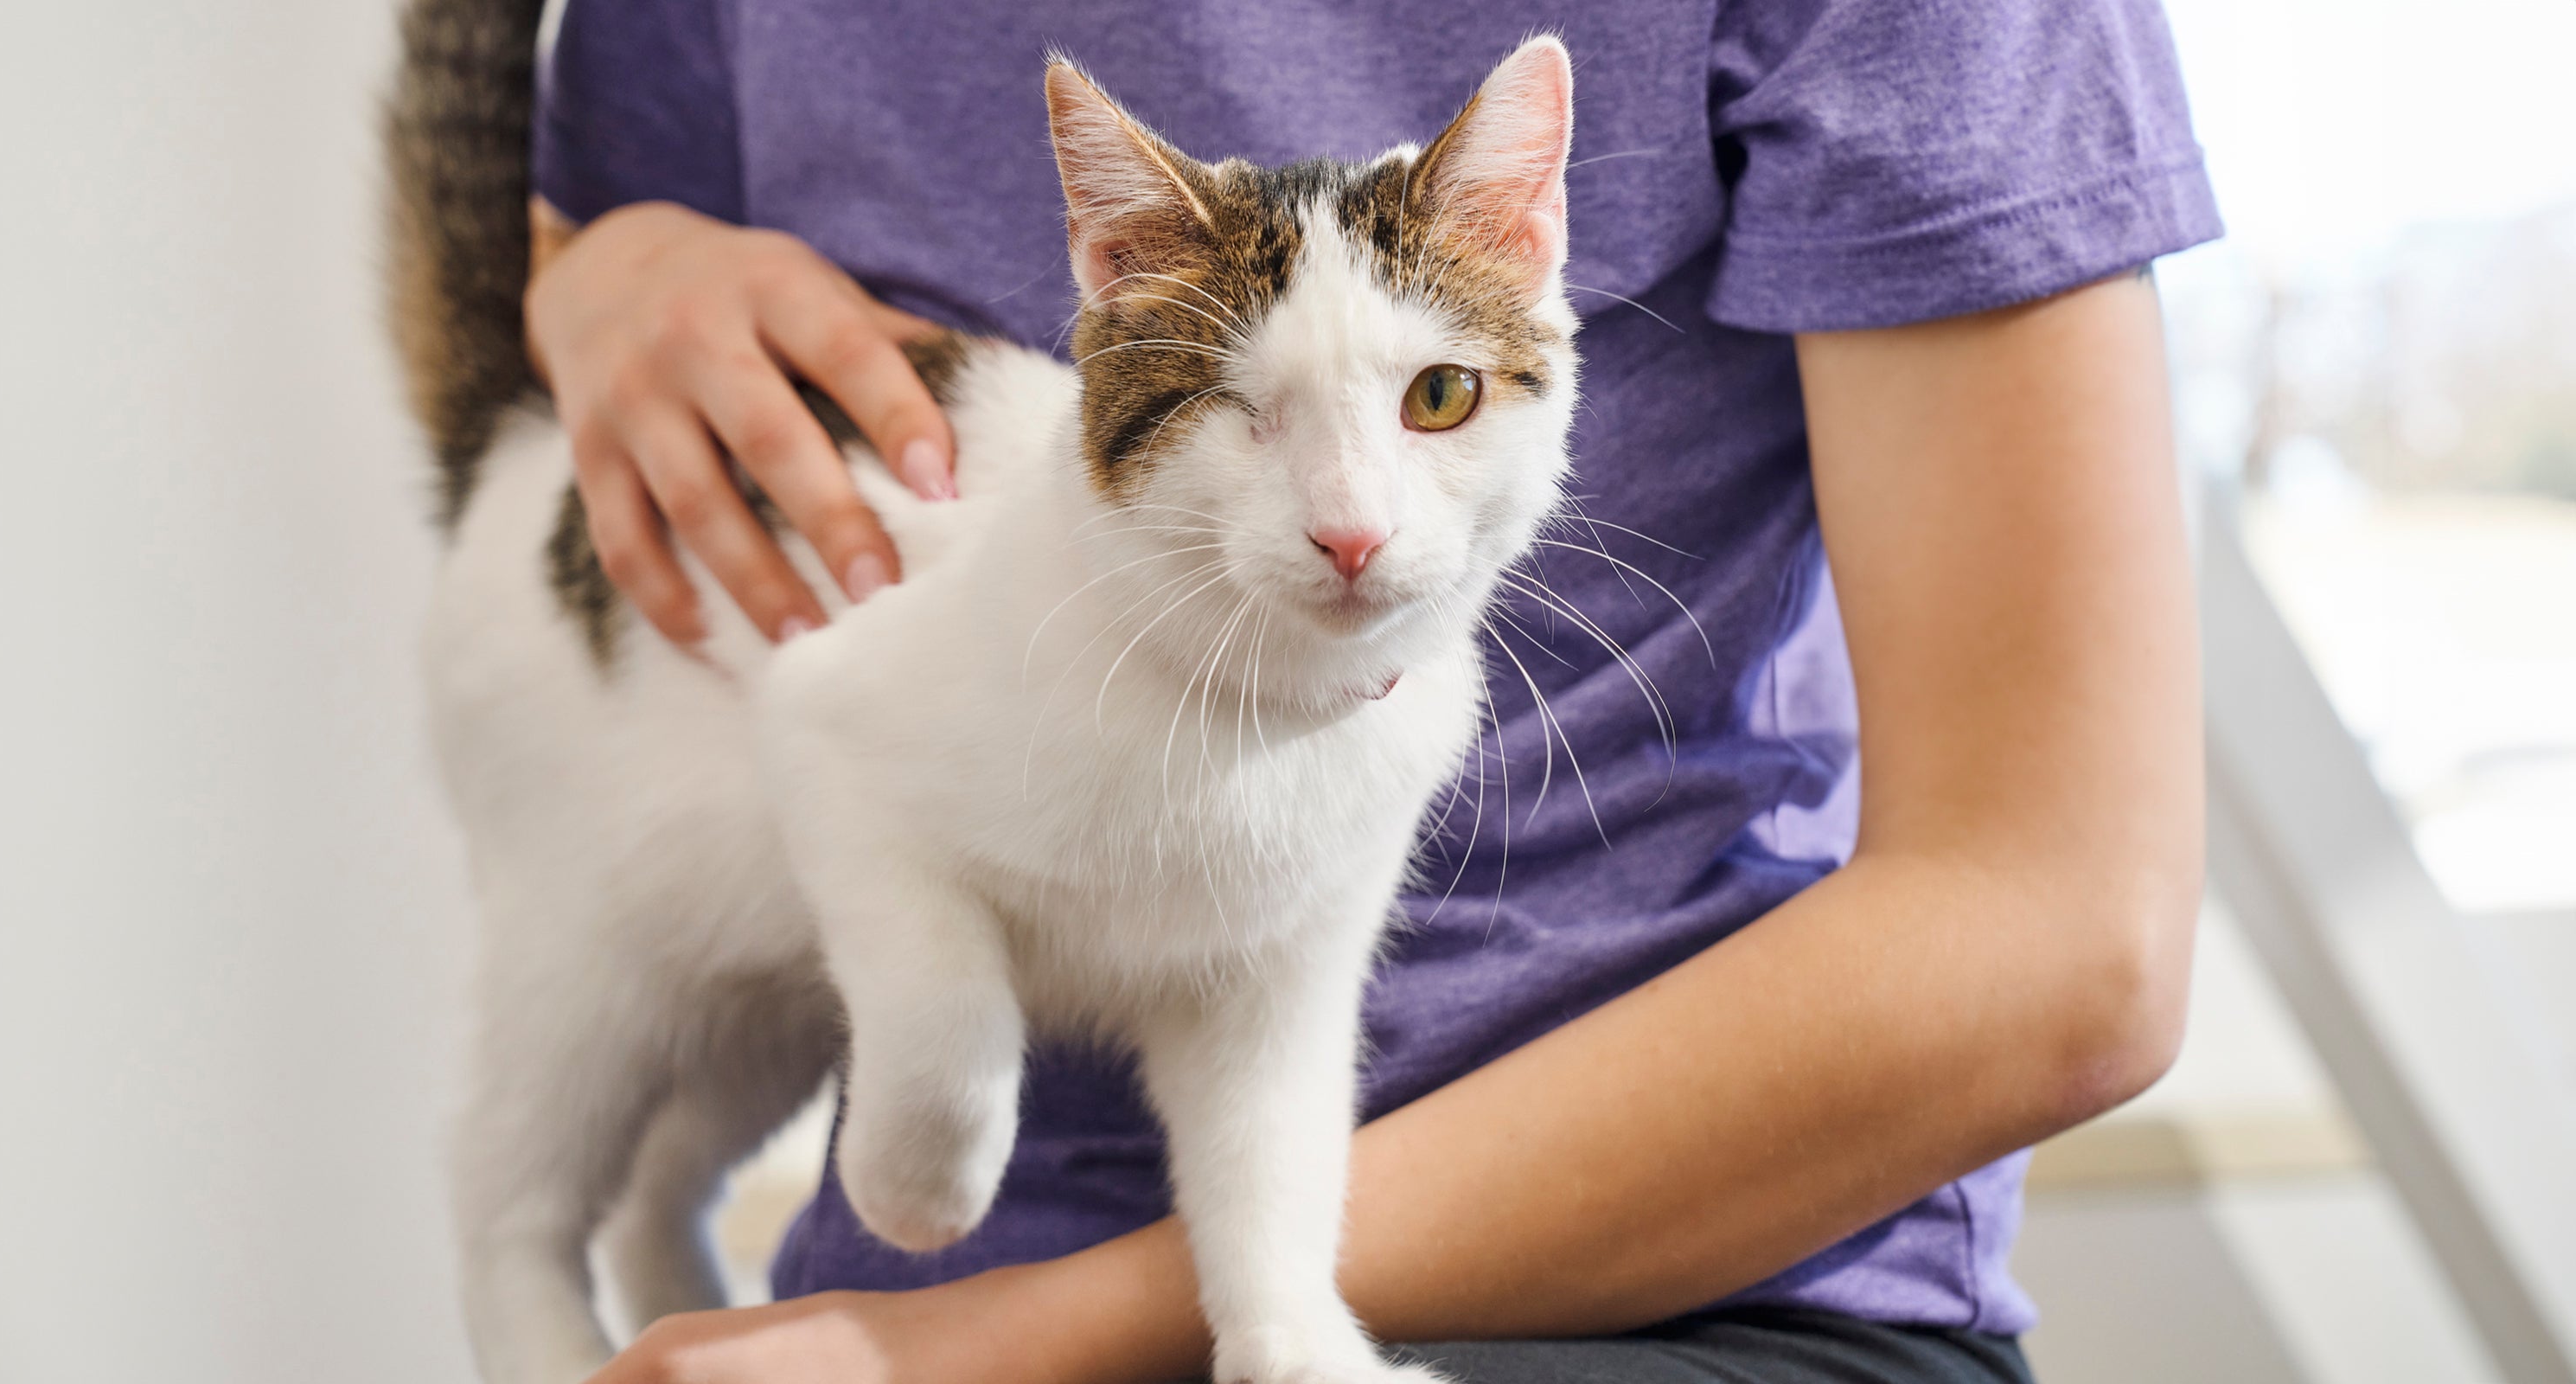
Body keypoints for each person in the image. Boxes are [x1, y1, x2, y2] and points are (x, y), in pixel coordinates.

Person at [512, 1, 2219, 1379]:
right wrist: (595, 276)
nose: (1347, 528)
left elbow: (2063, 937)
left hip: (1697, 1291)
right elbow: (560, 283)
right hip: (891, 1291)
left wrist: (1032, 1339)